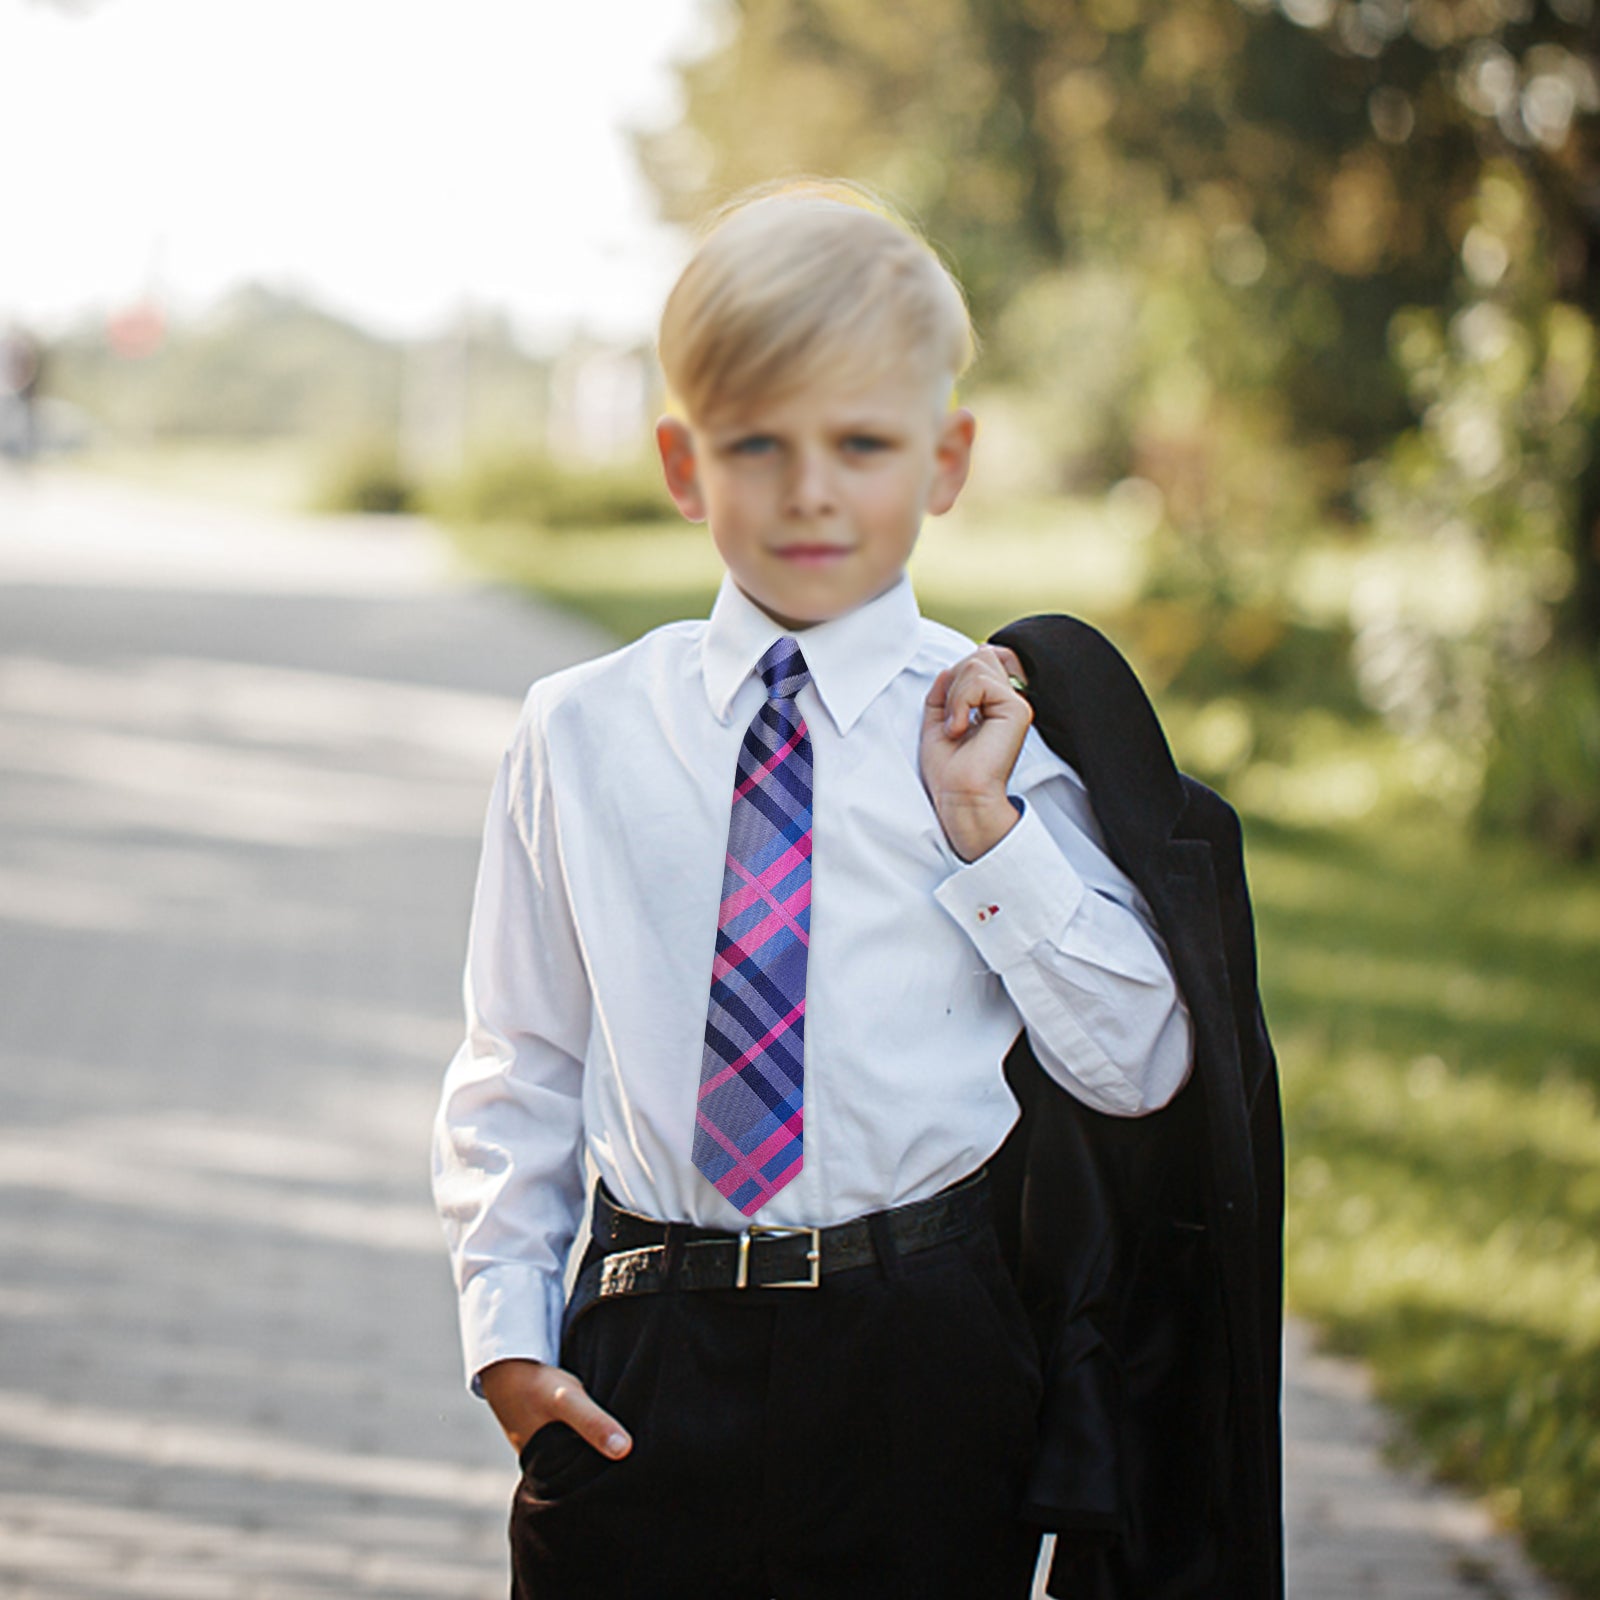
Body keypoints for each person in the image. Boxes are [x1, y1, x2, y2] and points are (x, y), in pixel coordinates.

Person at [431, 179, 1196, 1600]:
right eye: (756, 443)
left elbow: (1143, 1065)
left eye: (861, 441)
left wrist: (988, 837)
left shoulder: (994, 734)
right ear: (681, 462)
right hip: (646, 1350)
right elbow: (521, 1055)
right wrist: (509, 1339)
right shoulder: (579, 731)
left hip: (923, 1357)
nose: (810, 489)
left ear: (945, 457)